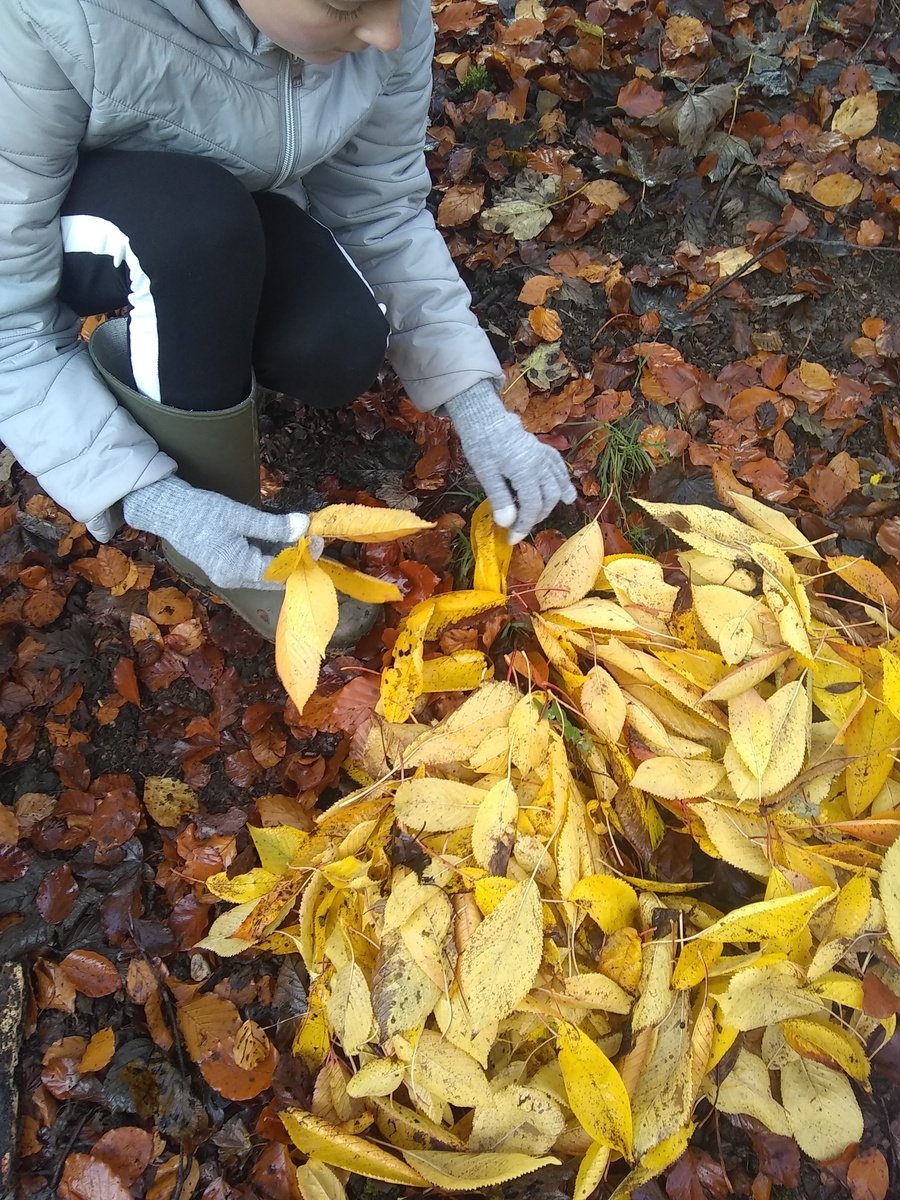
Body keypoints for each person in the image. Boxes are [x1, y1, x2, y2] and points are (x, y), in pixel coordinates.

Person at [0, 0, 576, 639]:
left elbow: (379, 208)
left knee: (334, 343)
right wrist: (144, 494)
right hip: (56, 224)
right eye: (344, 7)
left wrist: (478, 409)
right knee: (194, 231)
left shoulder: (389, 19)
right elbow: (8, 325)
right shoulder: (47, 17)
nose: (389, 33)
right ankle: (216, 535)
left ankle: (181, 352)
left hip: (231, 205)